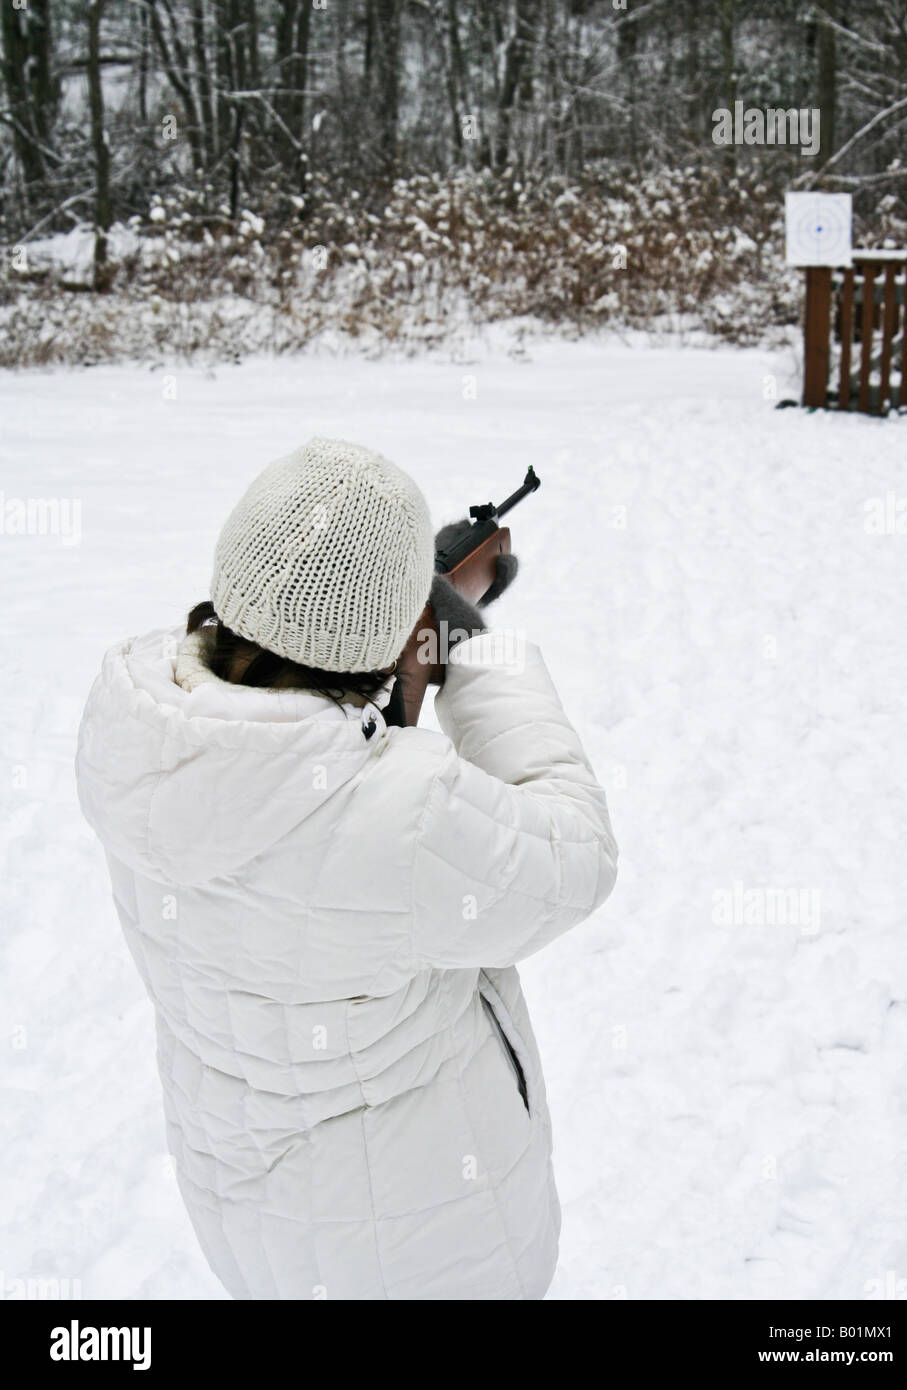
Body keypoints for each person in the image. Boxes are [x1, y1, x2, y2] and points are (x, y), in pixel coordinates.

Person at [75, 436, 618, 1300]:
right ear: (396, 631)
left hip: (249, 1217)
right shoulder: (398, 811)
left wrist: (400, 637)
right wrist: (472, 649)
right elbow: (577, 856)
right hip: (425, 1246)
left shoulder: (143, 739)